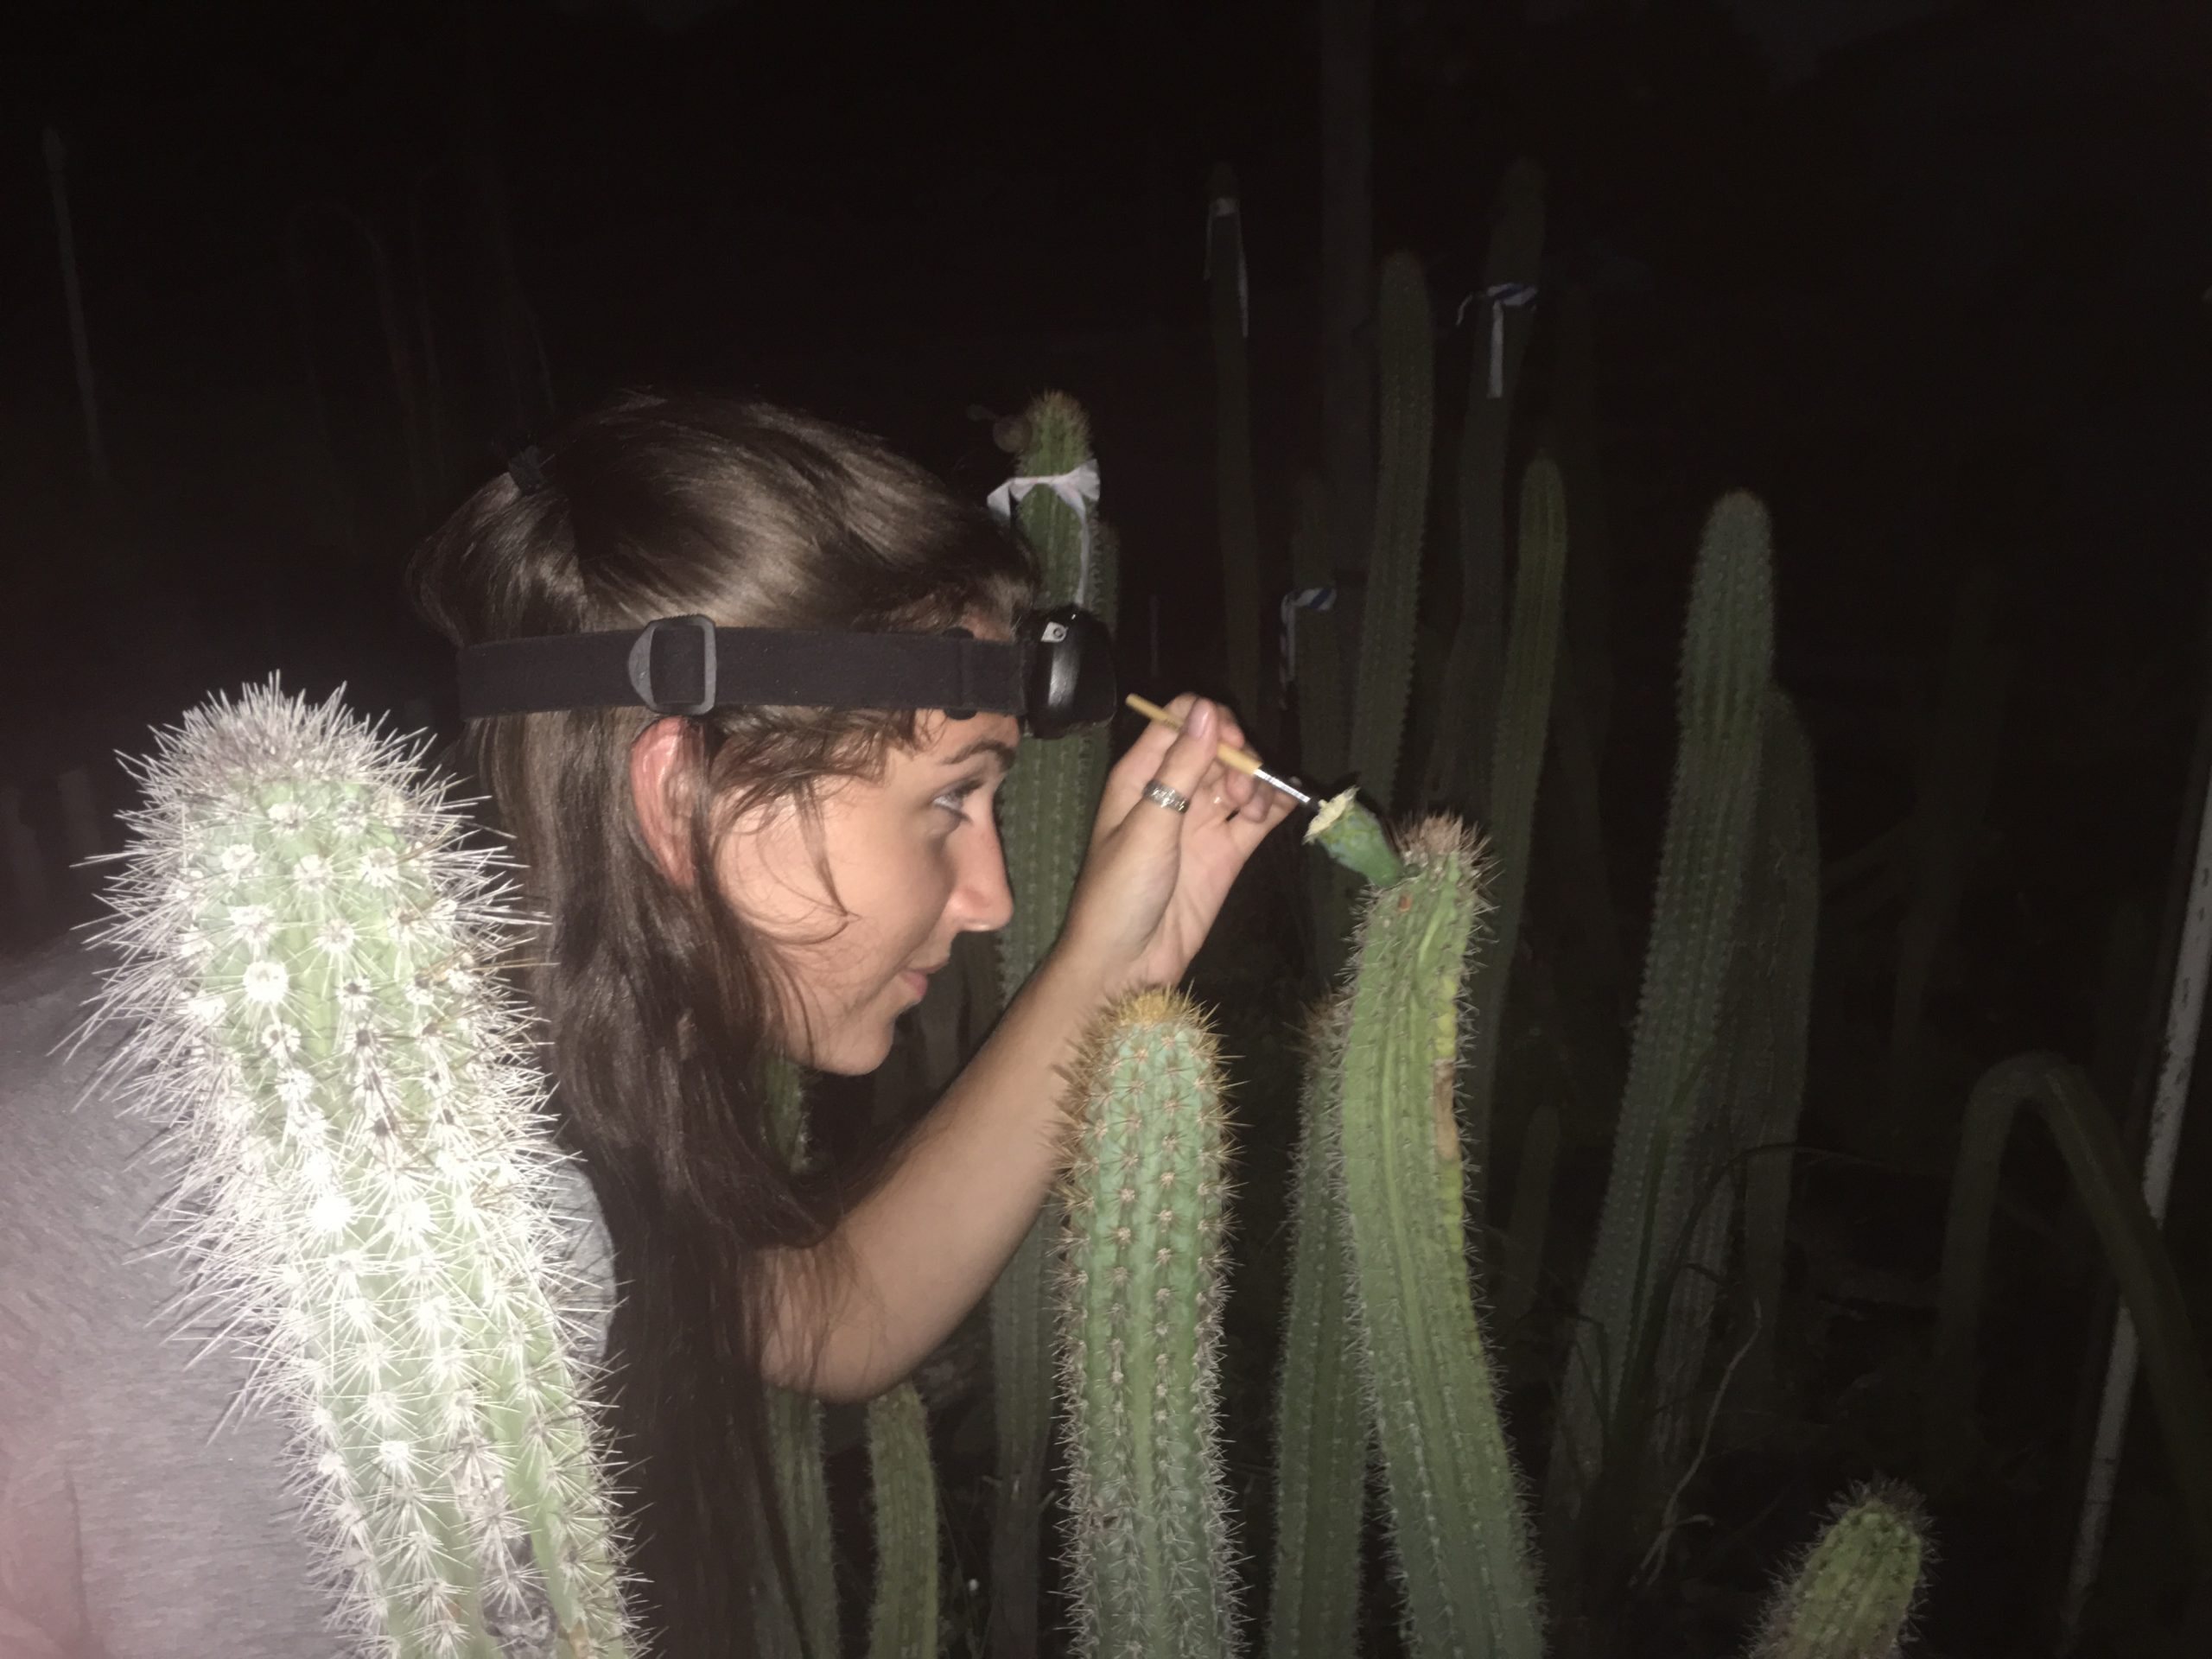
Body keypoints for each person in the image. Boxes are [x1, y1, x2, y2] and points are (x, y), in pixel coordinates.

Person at [0, 390, 1294, 1656]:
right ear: (681, 796)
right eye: (953, 800)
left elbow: (827, 1313)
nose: (991, 894)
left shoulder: (471, 1053)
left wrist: (1116, 959)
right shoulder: (348, 1214)